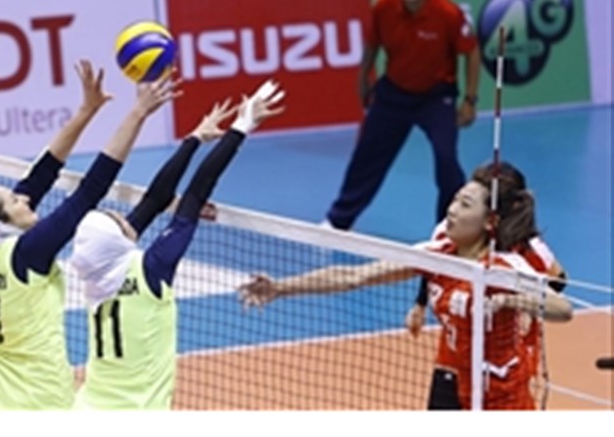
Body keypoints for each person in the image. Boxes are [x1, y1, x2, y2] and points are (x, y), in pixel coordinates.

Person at [239, 161, 572, 410]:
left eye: (465, 205)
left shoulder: (502, 268)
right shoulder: (438, 253)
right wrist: (281, 287)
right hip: (453, 380)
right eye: (455, 200)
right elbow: (354, 276)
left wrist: (512, 301)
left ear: (490, 222)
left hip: (502, 398)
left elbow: (563, 308)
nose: (452, 210)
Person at [0, 60, 181, 410]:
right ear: (1, 222)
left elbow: (40, 175)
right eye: (14, 200)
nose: (24, 198)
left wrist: (87, 111)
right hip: (41, 403)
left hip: (0, 398)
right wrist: (137, 113)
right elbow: (90, 190)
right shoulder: (27, 253)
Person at [69, 80, 286, 410]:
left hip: (87, 408)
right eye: (118, 220)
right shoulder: (150, 271)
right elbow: (196, 192)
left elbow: (155, 199)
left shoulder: (95, 275)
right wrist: (242, 125)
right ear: (117, 241)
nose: (125, 217)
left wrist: (195, 137)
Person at [404, 162, 568, 409]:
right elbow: (434, 262)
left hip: (500, 366)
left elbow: (559, 281)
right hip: (453, 360)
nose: (454, 209)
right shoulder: (449, 231)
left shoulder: (529, 247)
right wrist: (420, 303)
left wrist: (521, 300)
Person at [324, 0, 481, 230]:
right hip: (394, 94)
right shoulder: (384, 6)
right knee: (367, 155)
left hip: (436, 97)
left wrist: (470, 100)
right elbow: (372, 44)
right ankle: (338, 222)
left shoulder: (448, 13)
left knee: (446, 158)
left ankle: (449, 231)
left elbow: (472, 52)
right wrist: (363, 78)